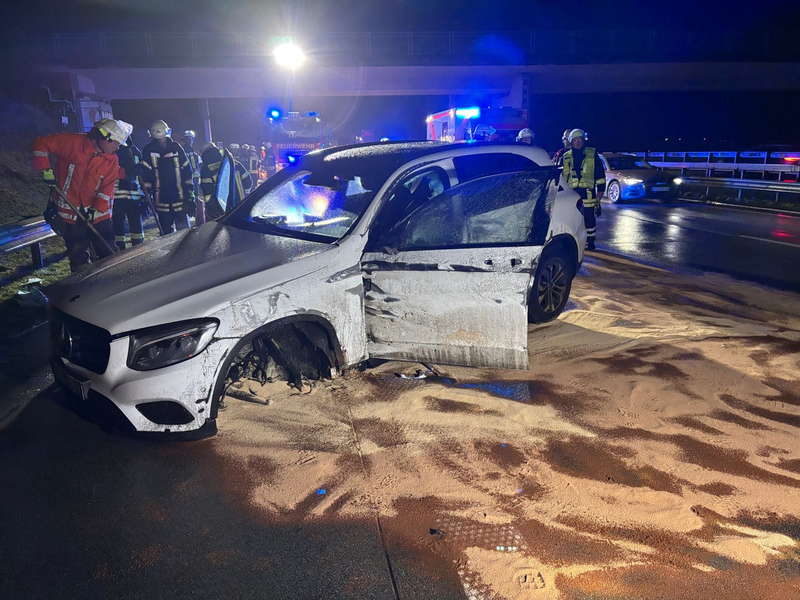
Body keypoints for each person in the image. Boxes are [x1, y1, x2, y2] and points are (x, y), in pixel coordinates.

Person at [33, 118, 129, 272]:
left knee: (108, 249)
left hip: (98, 214)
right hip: (70, 211)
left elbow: (106, 188)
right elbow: (40, 144)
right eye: (115, 143)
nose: (117, 147)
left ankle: (113, 278)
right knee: (77, 253)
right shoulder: (71, 142)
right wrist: (45, 169)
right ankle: (83, 286)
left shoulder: (112, 160)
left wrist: (95, 209)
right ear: (104, 137)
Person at [140, 119, 195, 234]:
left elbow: (187, 174)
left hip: (180, 200)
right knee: (166, 238)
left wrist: (190, 197)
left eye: (162, 137)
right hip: (161, 202)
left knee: (185, 235)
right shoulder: (148, 150)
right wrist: (146, 198)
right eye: (158, 138)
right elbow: (146, 177)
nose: (161, 140)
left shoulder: (176, 148)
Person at [561, 128, 605, 251]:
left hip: (587, 192)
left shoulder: (592, 154)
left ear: (583, 141)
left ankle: (590, 242)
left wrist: (601, 189)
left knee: (589, 217)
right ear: (571, 142)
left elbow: (599, 173)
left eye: (580, 140)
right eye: (575, 140)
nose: (578, 142)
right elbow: (561, 176)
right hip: (571, 193)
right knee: (571, 217)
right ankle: (573, 242)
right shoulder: (565, 157)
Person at [200, 144, 254, 219]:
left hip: (222, 214)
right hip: (242, 207)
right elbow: (248, 181)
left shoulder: (206, 170)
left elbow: (207, 194)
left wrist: (211, 211)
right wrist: (243, 194)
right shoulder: (235, 163)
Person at [112, 138, 146, 250]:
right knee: (118, 226)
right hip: (117, 196)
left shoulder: (135, 151)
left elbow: (144, 171)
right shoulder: (113, 150)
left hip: (134, 195)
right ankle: (119, 250)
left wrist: (140, 169)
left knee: (136, 226)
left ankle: (139, 248)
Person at [180, 129, 204, 225]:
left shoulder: (193, 152)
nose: (190, 140)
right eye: (188, 138)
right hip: (188, 178)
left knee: (195, 197)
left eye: (191, 138)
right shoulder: (184, 151)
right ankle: (193, 216)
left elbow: (199, 165)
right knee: (190, 196)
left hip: (194, 177)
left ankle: (197, 216)